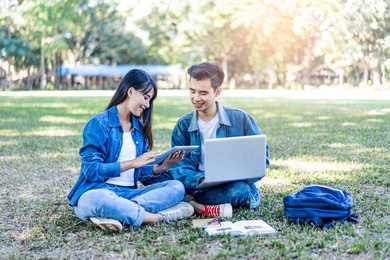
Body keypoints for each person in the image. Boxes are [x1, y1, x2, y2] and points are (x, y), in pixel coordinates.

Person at [67, 69, 194, 232]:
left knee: (176, 187)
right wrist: (133, 163)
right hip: (98, 191)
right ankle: (156, 217)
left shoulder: (138, 128)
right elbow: (91, 170)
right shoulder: (99, 123)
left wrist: (161, 167)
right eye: (146, 97)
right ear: (130, 91)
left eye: (150, 100)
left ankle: (118, 212)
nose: (147, 105)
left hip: (129, 195)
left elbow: (139, 173)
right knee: (97, 199)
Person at [147, 61, 270, 218]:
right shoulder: (183, 126)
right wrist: (200, 180)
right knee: (158, 176)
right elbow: (180, 167)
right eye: (192, 91)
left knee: (240, 191)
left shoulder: (241, 118)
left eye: (203, 93)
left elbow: (261, 159)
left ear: (217, 91)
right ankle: (196, 204)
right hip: (195, 183)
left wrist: (234, 175)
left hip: (228, 185)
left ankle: (188, 202)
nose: (196, 98)